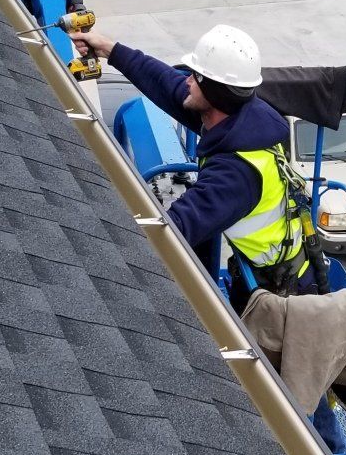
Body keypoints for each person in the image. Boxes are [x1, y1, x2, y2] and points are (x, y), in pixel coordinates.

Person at [72, 24, 317, 297]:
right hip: (268, 266)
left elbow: (174, 229)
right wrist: (109, 49)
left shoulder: (236, 175)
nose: (187, 80)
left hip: (274, 289)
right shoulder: (238, 118)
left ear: (214, 93)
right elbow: (166, 83)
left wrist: (92, 236)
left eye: (195, 77)